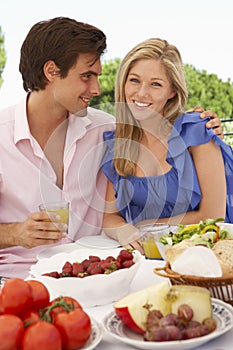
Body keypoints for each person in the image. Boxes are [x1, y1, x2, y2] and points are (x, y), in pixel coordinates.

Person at [0, 18, 223, 279]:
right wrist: (15, 233)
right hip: (18, 277)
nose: (96, 89)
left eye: (97, 77)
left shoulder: (107, 130)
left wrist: (205, 125)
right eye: (87, 76)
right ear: (51, 71)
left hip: (96, 273)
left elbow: (156, 124)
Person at [101, 38, 233, 252]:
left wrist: (146, 226)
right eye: (134, 80)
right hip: (144, 256)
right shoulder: (119, 143)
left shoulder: (196, 131)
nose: (142, 93)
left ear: (172, 91)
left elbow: (213, 216)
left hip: (202, 254)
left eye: (156, 84)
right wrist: (123, 230)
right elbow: (110, 216)